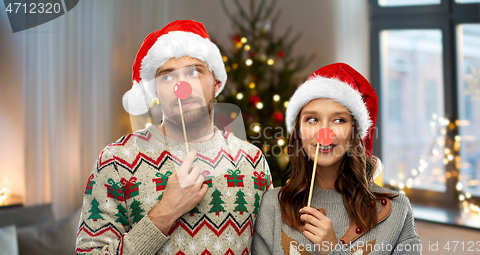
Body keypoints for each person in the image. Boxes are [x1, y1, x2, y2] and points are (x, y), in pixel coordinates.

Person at [75, 20, 273, 255]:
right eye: (167, 77)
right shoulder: (116, 161)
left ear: (217, 81)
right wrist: (165, 212)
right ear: (155, 91)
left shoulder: (253, 161)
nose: (183, 87)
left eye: (194, 71)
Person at [251, 63, 422, 255]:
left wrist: (332, 249)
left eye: (339, 120)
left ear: (354, 132)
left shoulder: (397, 211)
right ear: (298, 131)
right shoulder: (272, 205)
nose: (325, 133)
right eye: (312, 119)